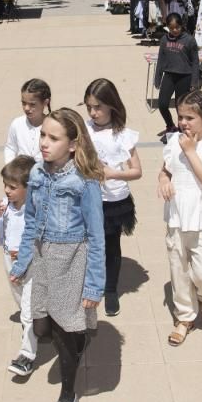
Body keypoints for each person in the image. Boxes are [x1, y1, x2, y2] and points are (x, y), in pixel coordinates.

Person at [10, 108, 105, 402]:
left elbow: (96, 235)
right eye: (42, 135)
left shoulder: (84, 181)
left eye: (53, 138)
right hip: (42, 258)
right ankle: (79, 336)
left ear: (74, 144)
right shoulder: (36, 173)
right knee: (42, 329)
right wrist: (22, 263)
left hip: (71, 261)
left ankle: (68, 395)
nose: (44, 143)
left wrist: (94, 286)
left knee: (65, 333)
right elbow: (31, 222)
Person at [158, 91, 202, 346]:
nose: (183, 123)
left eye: (190, 117)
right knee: (178, 268)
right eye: (180, 117)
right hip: (177, 216)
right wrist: (164, 179)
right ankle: (184, 317)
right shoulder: (173, 141)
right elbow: (166, 168)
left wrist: (190, 151)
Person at [84, 79, 141, 317]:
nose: (93, 112)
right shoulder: (84, 129)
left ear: (112, 106)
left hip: (114, 200)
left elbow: (136, 171)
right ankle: (90, 286)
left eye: (98, 107)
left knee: (111, 246)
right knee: (89, 245)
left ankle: (110, 290)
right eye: (89, 107)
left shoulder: (123, 135)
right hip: (88, 199)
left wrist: (112, 173)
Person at [0, 155, 38, 377]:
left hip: (31, 263)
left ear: (28, 188)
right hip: (9, 261)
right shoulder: (3, 205)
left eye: (13, 187)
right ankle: (42, 326)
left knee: (27, 311)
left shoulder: (35, 207)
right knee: (21, 302)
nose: (7, 190)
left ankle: (27, 356)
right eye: (5, 185)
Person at [155, 13, 200, 138]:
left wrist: (194, 82)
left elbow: (195, 62)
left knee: (180, 107)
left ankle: (181, 130)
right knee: (162, 104)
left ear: (182, 26)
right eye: (171, 28)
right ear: (168, 27)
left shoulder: (189, 40)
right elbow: (161, 59)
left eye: (177, 27)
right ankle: (170, 125)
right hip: (169, 75)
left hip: (184, 77)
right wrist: (158, 77)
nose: (174, 30)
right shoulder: (164, 40)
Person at [4, 78, 51, 162]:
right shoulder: (17, 124)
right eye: (23, 103)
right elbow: (10, 147)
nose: (26, 108)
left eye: (32, 104)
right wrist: (10, 167)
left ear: (45, 102)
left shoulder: (53, 126)